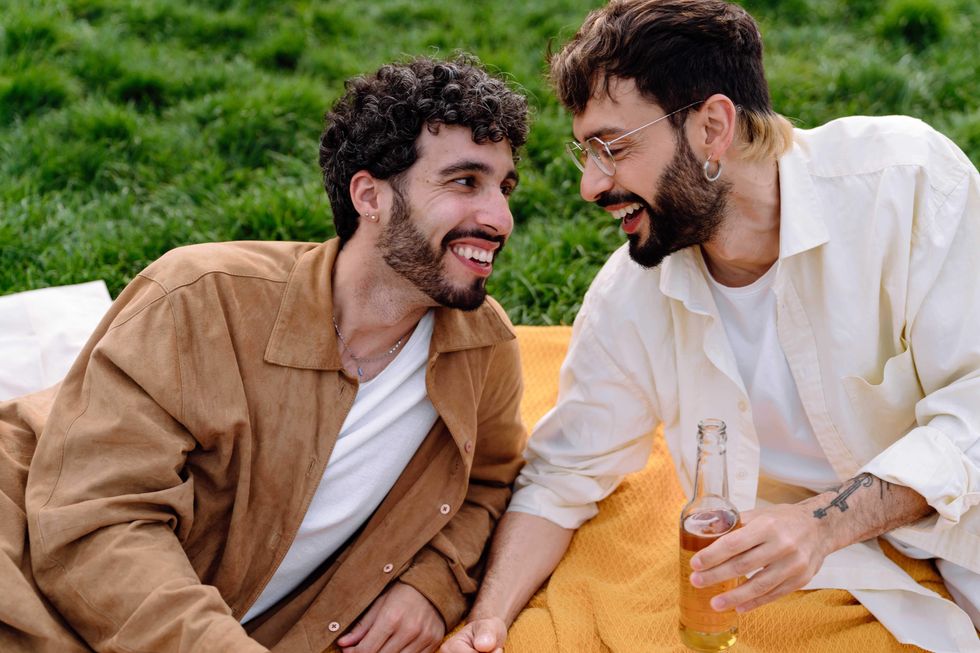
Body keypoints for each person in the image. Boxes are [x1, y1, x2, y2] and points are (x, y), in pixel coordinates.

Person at [442, 1, 980, 651]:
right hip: (845, 572)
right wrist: (488, 621)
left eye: (612, 148)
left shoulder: (908, 186)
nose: (589, 185)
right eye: (586, 152)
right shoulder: (632, 294)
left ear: (713, 127)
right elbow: (562, 475)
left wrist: (821, 523)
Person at [0, 55, 530, 653]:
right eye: (465, 182)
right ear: (369, 196)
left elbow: (488, 483)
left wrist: (430, 583)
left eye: (504, 187)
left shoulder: (481, 346)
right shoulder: (200, 300)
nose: (501, 218)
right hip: (25, 575)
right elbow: (99, 519)